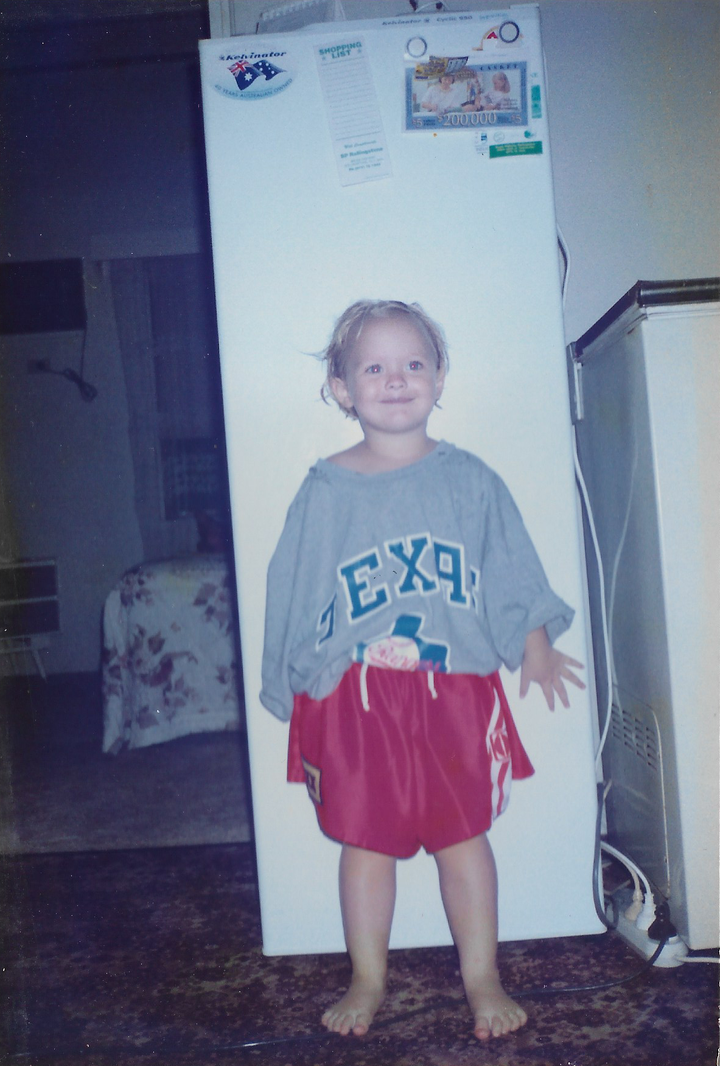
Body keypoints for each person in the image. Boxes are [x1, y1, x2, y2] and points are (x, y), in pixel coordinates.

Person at [260, 300, 585, 1041]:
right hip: (358, 697)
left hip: (455, 693)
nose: (395, 379)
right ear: (342, 390)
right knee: (365, 841)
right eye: (373, 367)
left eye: (413, 363)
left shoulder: (471, 481)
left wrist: (531, 640)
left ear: (440, 378)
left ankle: (482, 974)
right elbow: (293, 584)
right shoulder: (325, 489)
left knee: (463, 835)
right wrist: (292, 676)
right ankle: (368, 975)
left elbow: (508, 564)